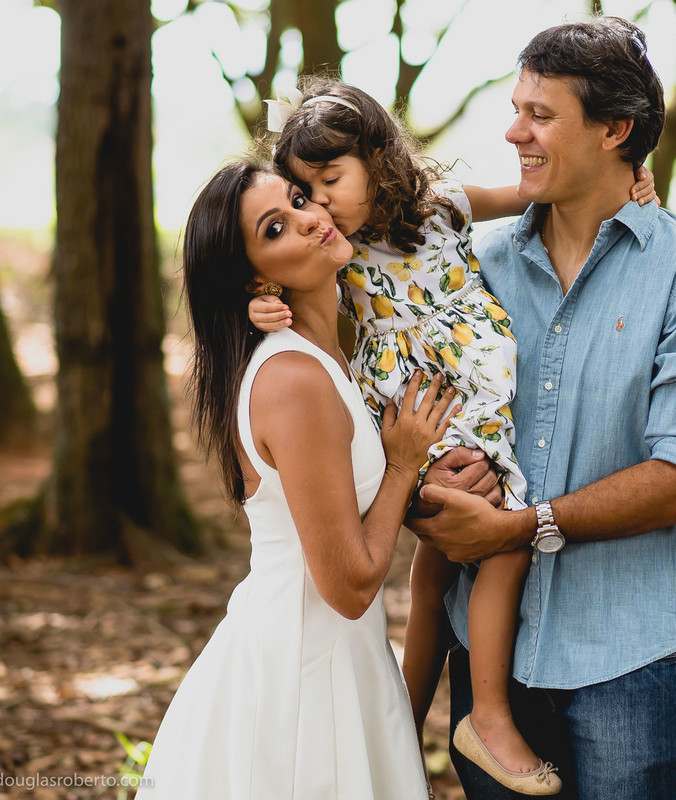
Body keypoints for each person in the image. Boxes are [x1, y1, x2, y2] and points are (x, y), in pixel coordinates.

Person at [247, 78, 657, 796]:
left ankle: (400, 722)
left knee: (441, 566)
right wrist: (263, 302)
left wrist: (628, 185)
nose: (321, 206)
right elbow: (283, 289)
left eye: (331, 181)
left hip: (476, 395)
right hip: (428, 408)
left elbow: (537, 195)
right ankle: (488, 714)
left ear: (379, 159)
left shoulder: (443, 209)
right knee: (499, 540)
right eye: (304, 193)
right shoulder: (340, 257)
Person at [408, 16, 676, 800]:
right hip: (491, 653)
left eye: (540, 115)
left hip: (635, 655)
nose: (513, 132)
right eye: (515, 109)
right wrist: (436, 483)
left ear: (616, 130)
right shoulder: (477, 266)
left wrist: (516, 528)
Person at [138, 160, 459, 799]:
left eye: (299, 199)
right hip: (306, 674)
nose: (312, 220)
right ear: (257, 274)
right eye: (277, 227)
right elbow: (347, 585)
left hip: (337, 656)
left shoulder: (333, 349)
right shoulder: (293, 379)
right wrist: (401, 464)